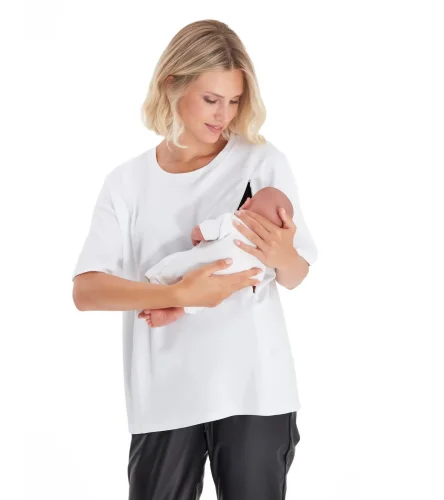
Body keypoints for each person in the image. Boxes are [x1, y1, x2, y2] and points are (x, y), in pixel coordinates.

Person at [71, 19, 318, 500]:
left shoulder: (261, 162)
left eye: (234, 101)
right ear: (172, 84)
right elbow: (86, 291)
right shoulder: (127, 183)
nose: (224, 115)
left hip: (253, 390)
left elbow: (295, 274)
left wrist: (282, 253)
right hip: (164, 396)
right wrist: (178, 293)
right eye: (211, 99)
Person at [140, 186, 295, 327]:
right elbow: (254, 281)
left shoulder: (234, 222)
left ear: (247, 204)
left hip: (196, 265)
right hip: (218, 288)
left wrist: (196, 235)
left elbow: (202, 231)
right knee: (200, 300)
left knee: (173, 267)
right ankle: (178, 310)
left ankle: (153, 286)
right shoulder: (263, 261)